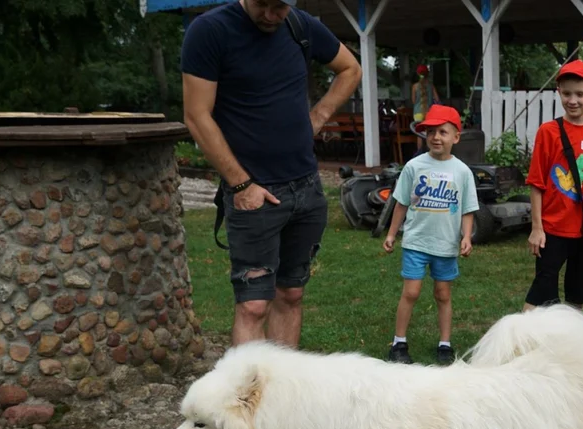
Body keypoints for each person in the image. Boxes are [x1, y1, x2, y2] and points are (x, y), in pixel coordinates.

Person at [181, 0, 362, 347]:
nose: (270, 15)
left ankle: (281, 396)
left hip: (306, 188)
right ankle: (245, 399)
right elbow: (196, 116)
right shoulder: (211, 31)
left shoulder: (300, 26)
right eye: (262, 4)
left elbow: (350, 68)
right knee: (252, 305)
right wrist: (242, 184)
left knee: (291, 295)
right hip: (253, 193)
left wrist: (320, 114)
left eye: (279, 6)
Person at [381, 105, 479, 365]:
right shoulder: (414, 166)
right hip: (416, 241)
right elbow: (401, 202)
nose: (436, 137)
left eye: (443, 132)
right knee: (411, 292)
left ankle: (445, 344)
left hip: (446, 245)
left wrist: (466, 237)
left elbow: (468, 209)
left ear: (456, 137)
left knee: (443, 293)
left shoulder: (462, 172)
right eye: (431, 132)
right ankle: (399, 343)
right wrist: (392, 234)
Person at [523, 61, 583, 310]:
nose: (573, 100)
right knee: (541, 294)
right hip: (553, 229)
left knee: (578, 296)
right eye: (567, 93)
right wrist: (537, 228)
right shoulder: (548, 132)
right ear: (559, 91)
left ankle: (571, 345)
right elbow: (537, 182)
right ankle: (521, 344)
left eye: (580, 94)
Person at [412, 64, 441, 150]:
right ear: (427, 74)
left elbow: (413, 101)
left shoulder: (414, 86)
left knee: (419, 134)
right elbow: (437, 99)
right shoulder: (431, 86)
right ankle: (430, 151)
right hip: (429, 112)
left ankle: (419, 153)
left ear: (418, 74)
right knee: (429, 132)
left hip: (417, 112)